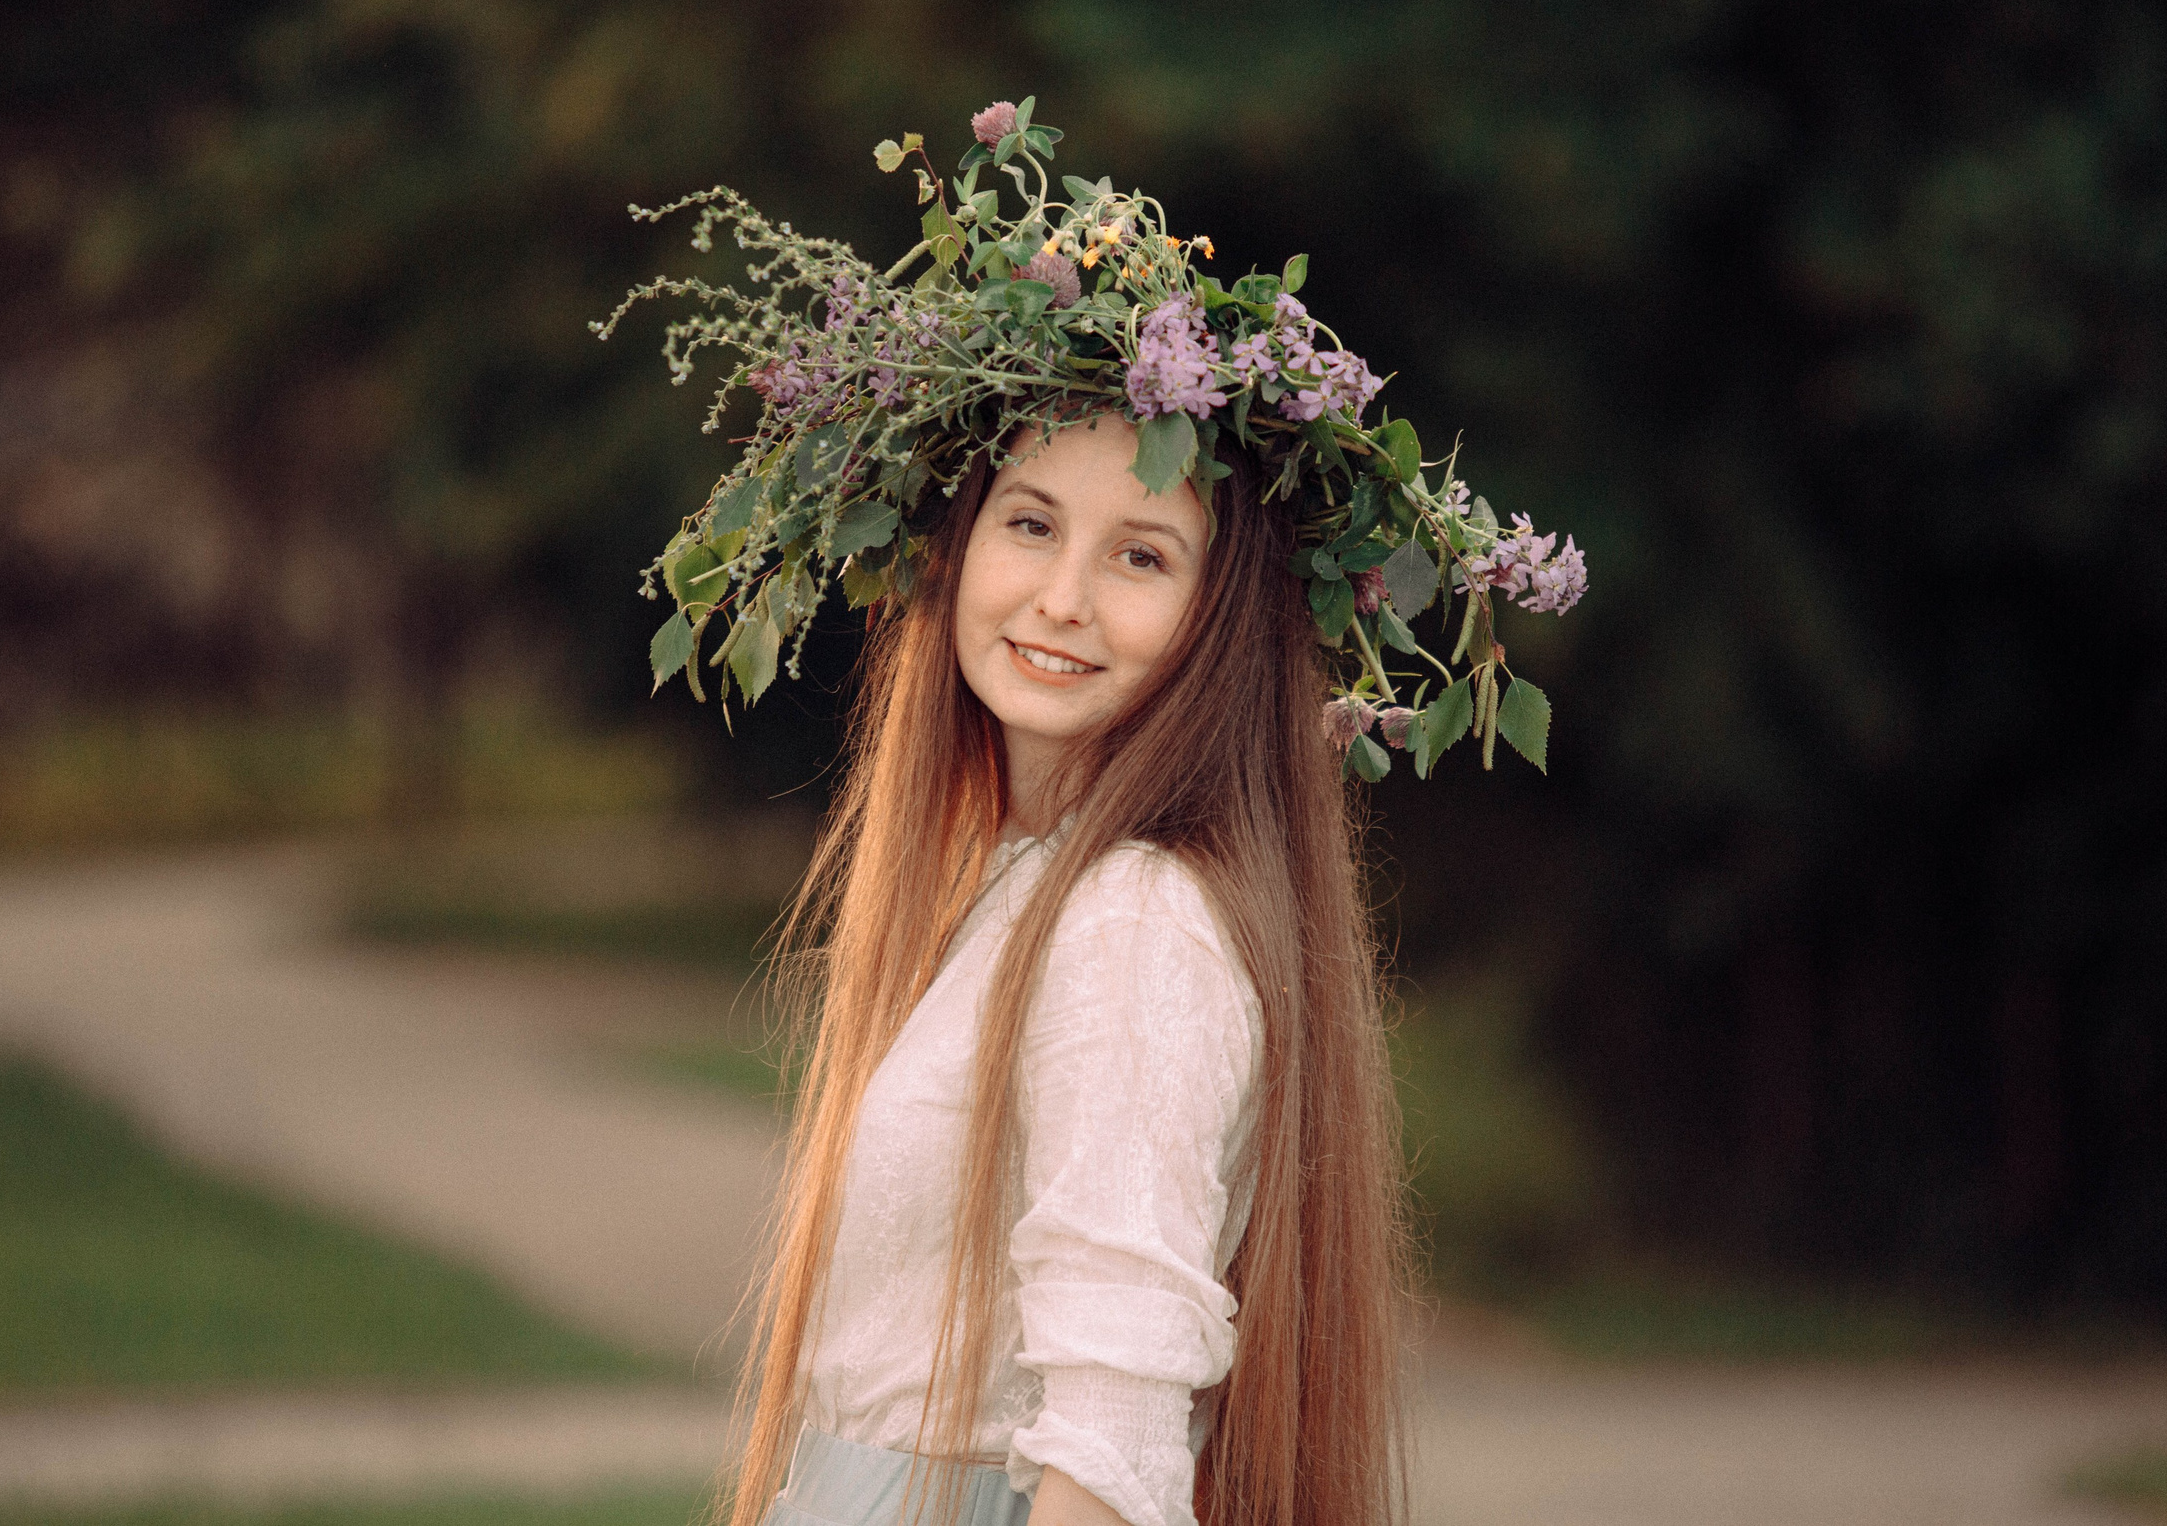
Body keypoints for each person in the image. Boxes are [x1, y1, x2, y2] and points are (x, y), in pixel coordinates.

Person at [602, 100, 1584, 1526]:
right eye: (1029, 522)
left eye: (1140, 552)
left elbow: (1113, 1450)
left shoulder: (1132, 927)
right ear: (956, 545)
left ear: (1220, 616)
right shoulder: (1008, 877)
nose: (1061, 597)